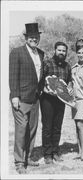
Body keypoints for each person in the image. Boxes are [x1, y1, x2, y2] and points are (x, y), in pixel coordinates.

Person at [9, 23, 44, 174]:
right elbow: (12, 76)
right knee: (21, 130)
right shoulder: (17, 52)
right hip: (21, 98)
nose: (34, 39)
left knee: (32, 129)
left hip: (36, 98)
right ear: (26, 38)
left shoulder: (41, 53)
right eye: (31, 37)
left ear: (39, 38)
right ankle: (18, 162)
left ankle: (28, 157)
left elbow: (41, 76)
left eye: (36, 37)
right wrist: (15, 95)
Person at [40, 41, 72, 164]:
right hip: (47, 100)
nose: (61, 53)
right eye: (59, 50)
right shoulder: (47, 63)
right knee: (47, 127)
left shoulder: (67, 66)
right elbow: (41, 81)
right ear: (55, 50)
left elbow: (69, 81)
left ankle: (55, 151)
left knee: (57, 127)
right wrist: (46, 89)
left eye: (64, 51)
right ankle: (47, 154)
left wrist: (69, 87)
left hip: (61, 100)